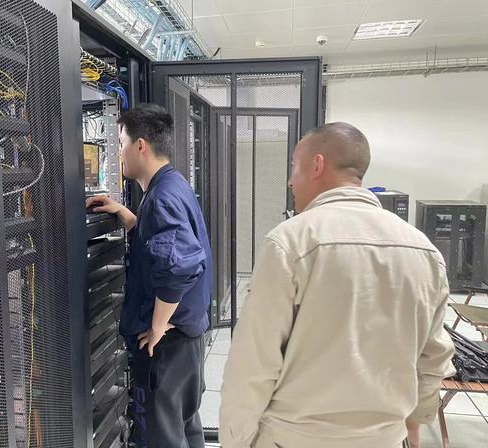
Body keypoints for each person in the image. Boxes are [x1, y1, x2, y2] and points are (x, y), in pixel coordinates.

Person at [220, 122, 455, 448]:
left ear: (316, 165)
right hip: (384, 438)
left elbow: (254, 363)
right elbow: (434, 357)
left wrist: (236, 441)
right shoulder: (424, 250)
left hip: (295, 438)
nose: (290, 181)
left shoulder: (290, 242)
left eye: (293, 167)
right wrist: (417, 418)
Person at [87, 104, 211, 448]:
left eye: (121, 143)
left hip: (165, 347)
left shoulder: (160, 198)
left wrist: (157, 325)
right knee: (185, 428)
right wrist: (126, 215)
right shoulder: (174, 184)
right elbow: (162, 242)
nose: (119, 153)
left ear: (140, 145)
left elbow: (179, 266)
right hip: (187, 342)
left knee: (160, 438)